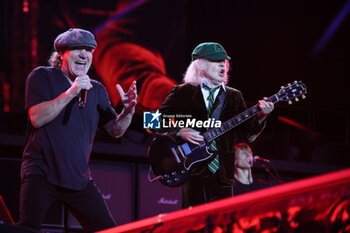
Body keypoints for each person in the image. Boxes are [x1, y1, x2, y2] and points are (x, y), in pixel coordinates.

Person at [18, 28, 137, 233]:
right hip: (41, 173)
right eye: (77, 48)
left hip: (78, 180)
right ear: (61, 54)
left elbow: (116, 131)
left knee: (108, 231)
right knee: (27, 229)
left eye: (88, 49)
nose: (84, 54)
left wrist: (128, 111)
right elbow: (37, 118)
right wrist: (71, 92)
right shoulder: (42, 76)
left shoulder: (97, 89)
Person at [157, 42, 274, 208]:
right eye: (216, 60)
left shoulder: (234, 96)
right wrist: (179, 132)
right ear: (201, 65)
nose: (222, 64)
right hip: (192, 174)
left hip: (223, 177)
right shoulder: (182, 93)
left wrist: (263, 116)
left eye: (224, 61)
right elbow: (153, 121)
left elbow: (249, 135)